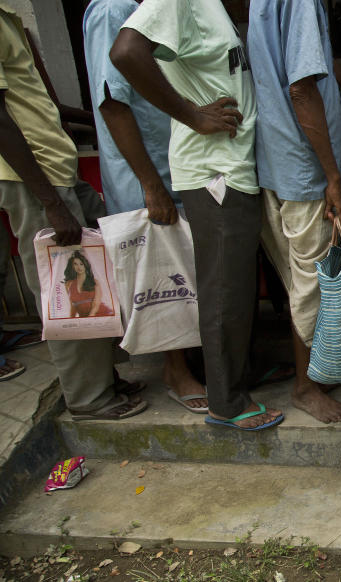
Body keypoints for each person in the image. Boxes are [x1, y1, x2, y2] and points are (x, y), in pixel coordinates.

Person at [111, 0, 283, 430]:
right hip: (213, 173)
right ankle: (226, 404)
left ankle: (234, 386)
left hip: (232, 168)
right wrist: (192, 116)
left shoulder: (212, 8)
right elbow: (126, 52)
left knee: (236, 290)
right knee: (225, 291)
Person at [0, 2, 146, 417]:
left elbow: (37, 103)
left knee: (96, 281)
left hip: (55, 165)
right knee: (67, 292)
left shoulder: (9, 15)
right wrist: (50, 203)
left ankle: (104, 379)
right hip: (33, 177)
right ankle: (88, 398)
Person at [82, 0, 209, 414]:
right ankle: (175, 370)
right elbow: (112, 102)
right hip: (145, 171)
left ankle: (189, 361)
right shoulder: (113, 10)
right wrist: (149, 183)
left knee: (182, 268)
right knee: (161, 275)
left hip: (167, 162)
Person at [246, 0, 341, 423]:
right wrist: (332, 176)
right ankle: (306, 385)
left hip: (277, 161)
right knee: (311, 285)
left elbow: (318, 69)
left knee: (300, 281)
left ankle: (313, 375)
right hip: (303, 169)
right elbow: (301, 87)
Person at [63, 250, 114, 318]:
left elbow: (96, 305)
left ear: (85, 265)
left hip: (102, 315)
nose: (79, 267)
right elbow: (73, 306)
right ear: (72, 266)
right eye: (75, 264)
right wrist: (70, 320)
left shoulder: (94, 282)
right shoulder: (69, 284)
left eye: (81, 264)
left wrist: (89, 319)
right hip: (85, 320)